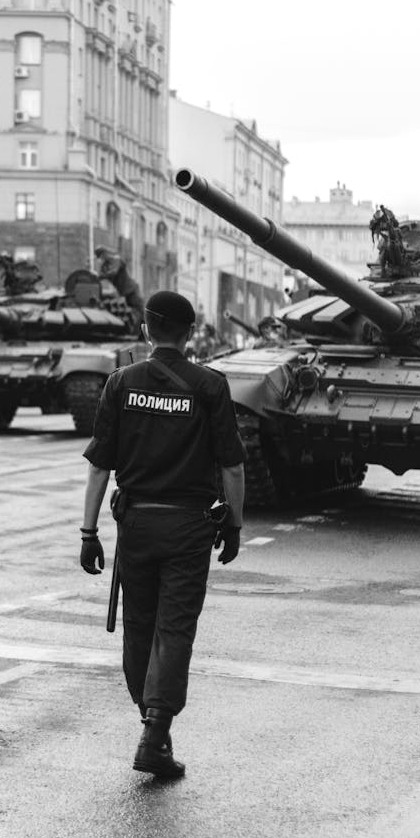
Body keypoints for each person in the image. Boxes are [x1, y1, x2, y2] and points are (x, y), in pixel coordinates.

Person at [79, 289, 246, 779]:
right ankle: (155, 733)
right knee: (174, 629)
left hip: (137, 526)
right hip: (189, 528)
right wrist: (233, 524)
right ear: (190, 333)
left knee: (139, 627)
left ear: (148, 330)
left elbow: (98, 469)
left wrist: (89, 533)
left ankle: (153, 725)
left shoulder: (121, 383)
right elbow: (232, 467)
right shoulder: (209, 385)